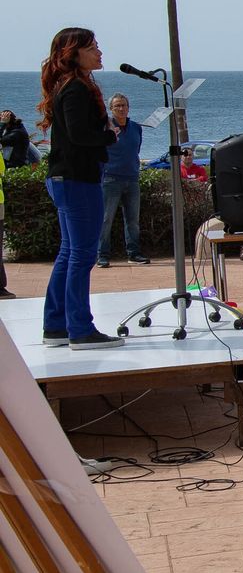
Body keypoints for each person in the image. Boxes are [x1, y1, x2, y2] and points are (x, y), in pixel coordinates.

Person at [36, 28, 123, 349]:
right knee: (82, 255)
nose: (100, 53)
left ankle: (56, 326)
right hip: (76, 179)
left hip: (67, 178)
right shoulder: (76, 89)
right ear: (74, 53)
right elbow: (79, 135)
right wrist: (109, 136)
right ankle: (80, 329)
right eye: (93, 48)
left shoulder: (72, 87)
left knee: (70, 253)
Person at [96, 91, 147, 268]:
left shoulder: (136, 127)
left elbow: (136, 149)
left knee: (133, 220)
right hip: (110, 179)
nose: (121, 108)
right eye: (117, 105)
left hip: (132, 178)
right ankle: (102, 255)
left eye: (124, 105)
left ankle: (134, 253)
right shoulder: (106, 127)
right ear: (111, 109)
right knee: (106, 219)